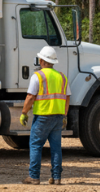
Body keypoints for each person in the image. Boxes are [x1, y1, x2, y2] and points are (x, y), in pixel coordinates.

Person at [20, 45, 71, 185]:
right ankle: (57, 177)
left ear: (42, 61)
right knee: (56, 148)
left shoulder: (38, 76)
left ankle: (34, 177)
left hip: (42, 116)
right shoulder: (62, 77)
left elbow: (30, 97)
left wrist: (24, 113)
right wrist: (64, 115)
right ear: (53, 62)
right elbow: (67, 97)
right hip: (58, 117)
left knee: (36, 145)